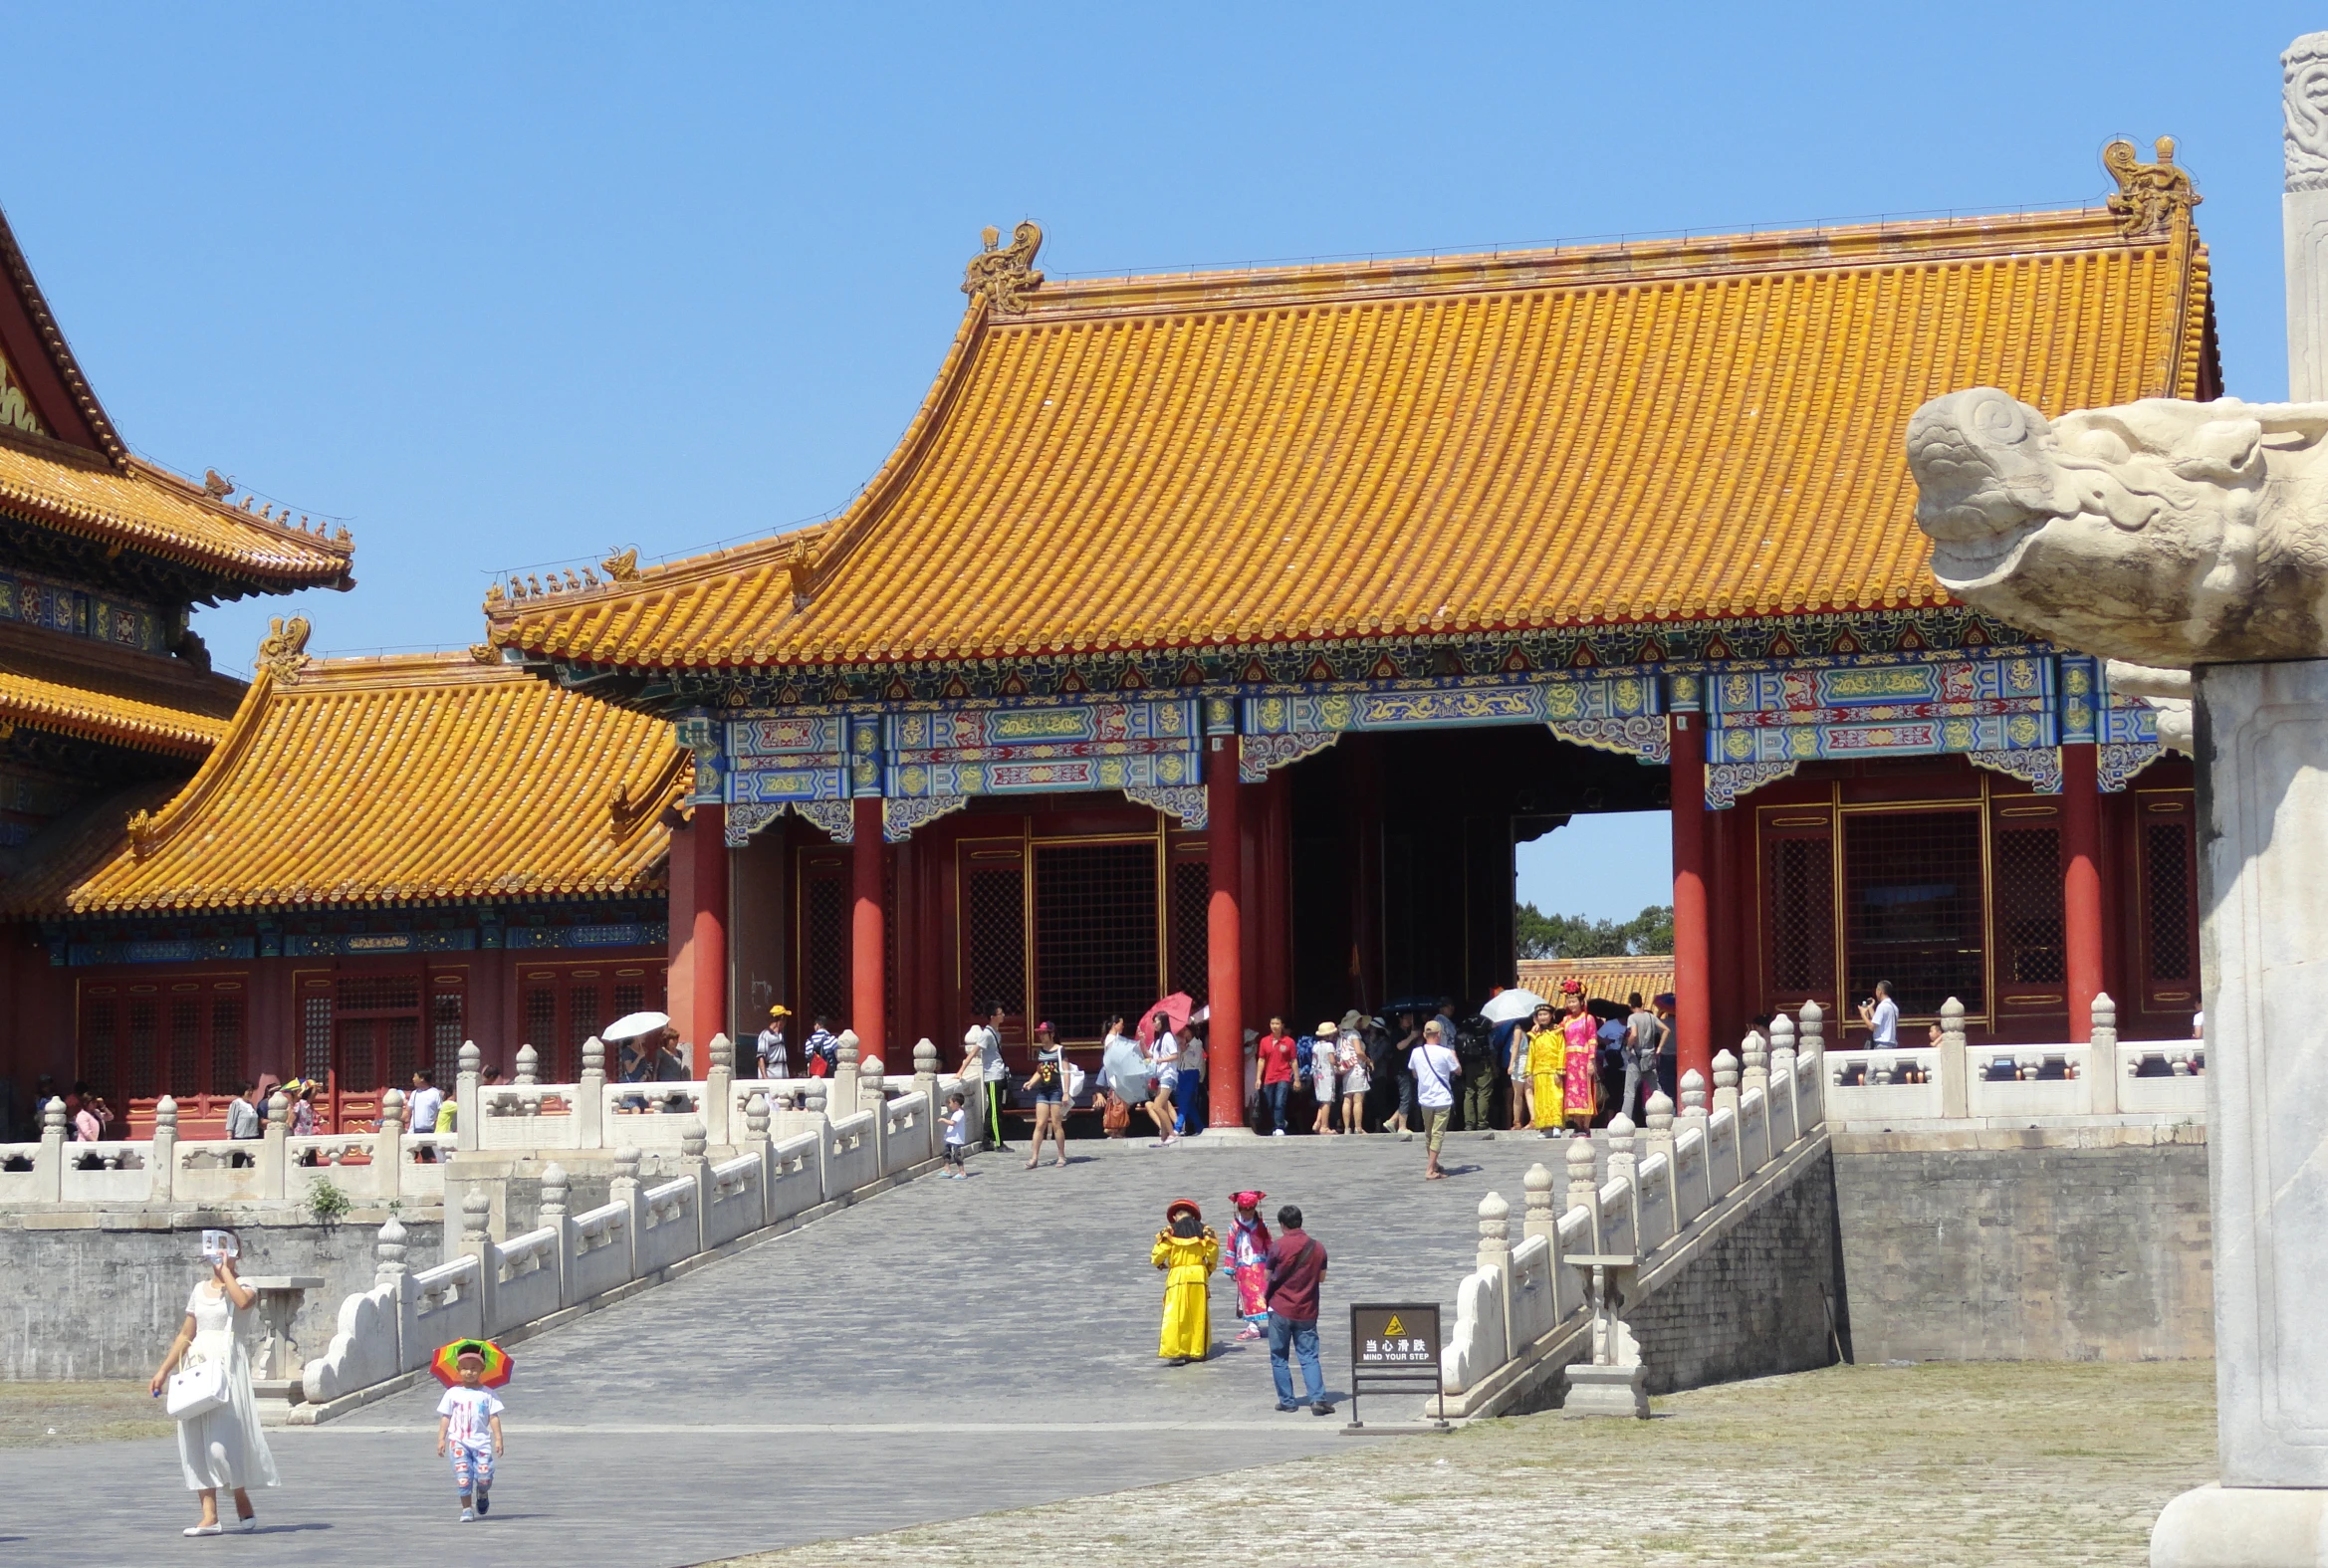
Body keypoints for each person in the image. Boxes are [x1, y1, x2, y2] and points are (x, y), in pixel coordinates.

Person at [148, 1230, 278, 1534]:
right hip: (197, 1365)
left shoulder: (245, 1285)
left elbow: (243, 1303)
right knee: (195, 1440)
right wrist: (163, 1370)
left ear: (236, 1253)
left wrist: (226, 1272)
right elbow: (186, 1334)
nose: (219, 1255)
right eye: (214, 1250)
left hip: (227, 1366)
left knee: (222, 1445)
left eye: (226, 1250)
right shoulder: (199, 1289)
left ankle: (239, 1492)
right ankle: (209, 1515)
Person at [1265, 1202, 1331, 1416]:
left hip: (1280, 1309)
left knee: (1279, 1357)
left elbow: (1267, 1277)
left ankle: (1287, 1401)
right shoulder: (1317, 1247)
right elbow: (1321, 1278)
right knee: (1309, 1356)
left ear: (1282, 1224)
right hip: (1307, 1310)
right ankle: (1318, 1399)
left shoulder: (1278, 1246)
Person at [435, 1348, 506, 1523]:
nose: (469, 1372)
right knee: (463, 1476)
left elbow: (493, 1417)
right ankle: (467, 1509)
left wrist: (498, 1438)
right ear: (458, 1370)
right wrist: (441, 1438)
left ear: (482, 1369)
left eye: (474, 1367)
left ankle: (482, 1492)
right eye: (465, 1368)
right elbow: (446, 1417)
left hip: (480, 1442)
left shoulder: (487, 1394)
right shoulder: (452, 1393)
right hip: (458, 1441)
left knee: (484, 1476)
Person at [1151, 1199, 1220, 1366]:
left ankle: (1175, 1349)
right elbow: (1212, 1252)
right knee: (1198, 1313)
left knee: (1175, 1313)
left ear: (1175, 1216)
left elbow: (1158, 1253)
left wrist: (1160, 1264)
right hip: (1197, 1274)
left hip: (1177, 1275)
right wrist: (1208, 1268)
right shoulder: (1205, 1230)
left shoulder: (1170, 1231)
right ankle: (1196, 1350)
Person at [1412, 1017, 1461, 1180]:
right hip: (1442, 1098)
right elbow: (1458, 1071)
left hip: (1425, 1098)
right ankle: (1430, 1169)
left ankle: (1434, 1163)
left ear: (1425, 1035)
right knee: (1438, 1134)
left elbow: (1414, 1073)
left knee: (1429, 1133)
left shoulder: (1416, 1052)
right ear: (1439, 1034)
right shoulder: (1446, 1052)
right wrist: (1454, 1056)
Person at [1222, 1190, 1273, 1340]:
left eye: (1251, 1209)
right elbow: (1231, 1247)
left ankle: (1275, 1323)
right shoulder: (1234, 1227)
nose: (1248, 1213)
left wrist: (1273, 1263)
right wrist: (1230, 1267)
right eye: (1245, 1210)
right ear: (1239, 1209)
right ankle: (1253, 1326)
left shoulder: (1262, 1225)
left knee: (1265, 1295)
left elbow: (1269, 1245)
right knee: (1248, 1297)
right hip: (1243, 1267)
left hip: (1260, 1265)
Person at [965, 1004, 1010, 1151]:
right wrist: (961, 1071)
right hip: (992, 1077)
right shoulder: (987, 1034)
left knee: (993, 1108)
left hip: (999, 1073)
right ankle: (998, 1142)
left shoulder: (997, 1034)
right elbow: (973, 1052)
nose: (1003, 1015)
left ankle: (986, 1139)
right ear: (993, 1017)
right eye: (1000, 1013)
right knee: (996, 1111)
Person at [1022, 1032, 1068, 1170]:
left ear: (1051, 1034)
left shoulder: (1060, 1050)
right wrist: (1030, 1083)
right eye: (1040, 1034)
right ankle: (1034, 1157)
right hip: (1043, 1091)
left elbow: (1066, 1072)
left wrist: (1065, 1092)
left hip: (1056, 1090)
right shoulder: (1041, 1052)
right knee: (1040, 1123)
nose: (1041, 1037)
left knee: (1056, 1124)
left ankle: (1061, 1155)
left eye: (1043, 1034)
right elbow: (1040, 1071)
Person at [1099, 1014, 1148, 1138]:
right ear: (1114, 1024)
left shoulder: (1116, 1038)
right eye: (1121, 1023)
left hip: (1119, 1073)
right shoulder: (1111, 1039)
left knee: (1122, 1102)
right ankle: (1114, 1128)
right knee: (1119, 1102)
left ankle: (1118, 1129)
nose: (1123, 1026)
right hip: (1116, 1075)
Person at [1559, 986, 1599, 1136]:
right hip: (1569, 1060)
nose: (1572, 1004)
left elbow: (1593, 1039)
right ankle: (1577, 1125)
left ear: (1581, 1002)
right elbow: (1558, 1034)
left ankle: (1586, 1127)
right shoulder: (1565, 1020)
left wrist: (1591, 1060)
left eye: (1574, 1001)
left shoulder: (1588, 1019)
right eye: (1569, 1001)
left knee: (1585, 1092)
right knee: (1572, 1093)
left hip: (1583, 1059)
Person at [1524, 1003, 1565, 1138]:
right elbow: (1531, 1054)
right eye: (1540, 1015)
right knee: (1541, 1100)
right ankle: (1545, 1128)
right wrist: (1529, 1071)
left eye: (1545, 1014)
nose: (1542, 1017)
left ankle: (1556, 1125)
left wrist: (1559, 1070)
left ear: (1551, 1016)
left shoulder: (1558, 1031)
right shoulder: (1534, 1035)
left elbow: (1561, 1050)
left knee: (1555, 1097)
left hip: (1553, 1070)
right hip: (1539, 1071)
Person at [1624, 992, 1663, 1122]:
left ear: (1630, 1004)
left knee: (1630, 1092)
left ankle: (1625, 1120)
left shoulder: (1632, 1018)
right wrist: (1659, 1047)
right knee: (1656, 1088)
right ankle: (1665, 1110)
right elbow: (1666, 1029)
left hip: (1637, 1057)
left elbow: (1634, 1034)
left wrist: (1628, 1046)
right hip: (1650, 1056)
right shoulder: (1651, 1017)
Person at [1146, 1011, 1181, 1147]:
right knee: (1163, 1107)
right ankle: (1163, 1137)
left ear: (1163, 1022)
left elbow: (1175, 1055)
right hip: (1162, 1077)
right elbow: (1150, 1054)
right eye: (1153, 1021)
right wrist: (1143, 1043)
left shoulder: (1167, 1037)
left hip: (1168, 1075)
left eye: (1157, 1021)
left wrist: (1160, 1060)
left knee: (1157, 1106)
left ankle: (1172, 1133)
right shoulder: (1158, 1040)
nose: (1154, 1024)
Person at [1257, 1018, 1297, 1136]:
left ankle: (1279, 1126)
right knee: (1269, 1103)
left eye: (1277, 1024)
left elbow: (1293, 1060)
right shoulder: (1264, 1041)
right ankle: (1276, 1123)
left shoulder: (1289, 1042)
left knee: (1280, 1102)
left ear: (1282, 1026)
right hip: (1269, 1076)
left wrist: (1297, 1079)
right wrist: (1258, 1078)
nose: (1274, 1026)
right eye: (1272, 1023)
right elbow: (1261, 1059)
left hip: (1283, 1075)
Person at [1382, 1010, 1418, 1137]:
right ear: (1400, 1019)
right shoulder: (1397, 1033)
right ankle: (1402, 1126)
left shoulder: (1409, 1032)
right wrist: (1412, 1037)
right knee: (1405, 1097)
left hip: (1408, 1069)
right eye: (1406, 1018)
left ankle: (1392, 1121)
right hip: (1400, 1070)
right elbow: (1399, 1046)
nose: (1409, 1020)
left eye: (1411, 1017)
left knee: (1410, 1098)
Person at [1333, 1022, 1370, 1134]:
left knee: (1347, 1099)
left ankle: (1347, 1128)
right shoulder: (1354, 1034)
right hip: (1356, 1068)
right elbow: (1359, 1052)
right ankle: (1358, 1127)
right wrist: (1368, 1060)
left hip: (1346, 1070)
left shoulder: (1342, 1036)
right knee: (1358, 1099)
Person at [1302, 1022, 1337, 1135]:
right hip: (1327, 1074)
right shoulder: (1329, 1046)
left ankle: (1317, 1123)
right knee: (1327, 1101)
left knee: (1322, 1100)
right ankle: (1324, 1126)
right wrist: (1338, 1062)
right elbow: (1332, 1060)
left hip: (1317, 1075)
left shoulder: (1315, 1046)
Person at [1176, 1022, 1207, 1136]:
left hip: (1191, 1073)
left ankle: (1177, 1127)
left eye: (1186, 1030)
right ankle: (1199, 1126)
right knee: (1188, 1103)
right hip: (1181, 1073)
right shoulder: (1181, 1044)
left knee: (1184, 1101)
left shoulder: (1197, 1044)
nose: (1184, 1033)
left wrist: (1185, 1050)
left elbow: (1195, 1062)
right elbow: (1178, 1061)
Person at [407, 1070, 444, 1161]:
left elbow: (441, 1112)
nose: (413, 1079)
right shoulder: (414, 1094)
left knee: (428, 1158)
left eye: (415, 1077)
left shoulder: (435, 1093)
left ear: (422, 1078)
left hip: (429, 1130)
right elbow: (407, 1113)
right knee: (409, 1157)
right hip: (414, 1131)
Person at [1859, 980, 1900, 1046]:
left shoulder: (1882, 1006)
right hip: (1891, 1043)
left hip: (1882, 1044)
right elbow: (1879, 1022)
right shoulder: (1894, 1007)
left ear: (1880, 992)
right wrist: (1870, 1008)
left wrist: (1863, 1014)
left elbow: (1872, 1027)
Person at [756, 1005, 791, 1079]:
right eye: (785, 1019)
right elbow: (760, 1057)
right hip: (771, 1079)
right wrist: (765, 1077)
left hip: (781, 1079)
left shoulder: (780, 1035)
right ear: (781, 1019)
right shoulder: (765, 1036)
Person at [941, 1091, 970, 1177]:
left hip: (956, 1139)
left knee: (957, 1155)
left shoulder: (960, 1113)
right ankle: (947, 1170)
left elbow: (952, 1123)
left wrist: (943, 1120)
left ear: (956, 1103)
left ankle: (962, 1172)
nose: (949, 1105)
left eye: (950, 1103)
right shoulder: (956, 1113)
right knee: (946, 1153)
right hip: (950, 1138)